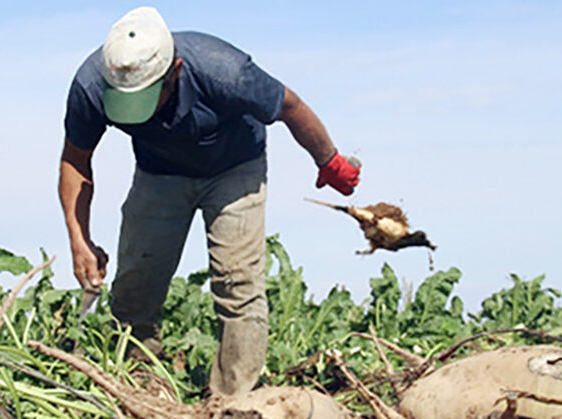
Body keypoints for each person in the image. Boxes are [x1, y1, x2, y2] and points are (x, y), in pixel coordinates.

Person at [59, 6, 359, 396]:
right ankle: (138, 388)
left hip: (235, 169)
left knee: (238, 283)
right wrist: (78, 237)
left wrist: (329, 160)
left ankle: (234, 403)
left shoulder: (224, 70)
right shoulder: (91, 85)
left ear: (176, 71)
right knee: (135, 286)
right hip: (159, 174)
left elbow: (290, 106)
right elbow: (75, 160)